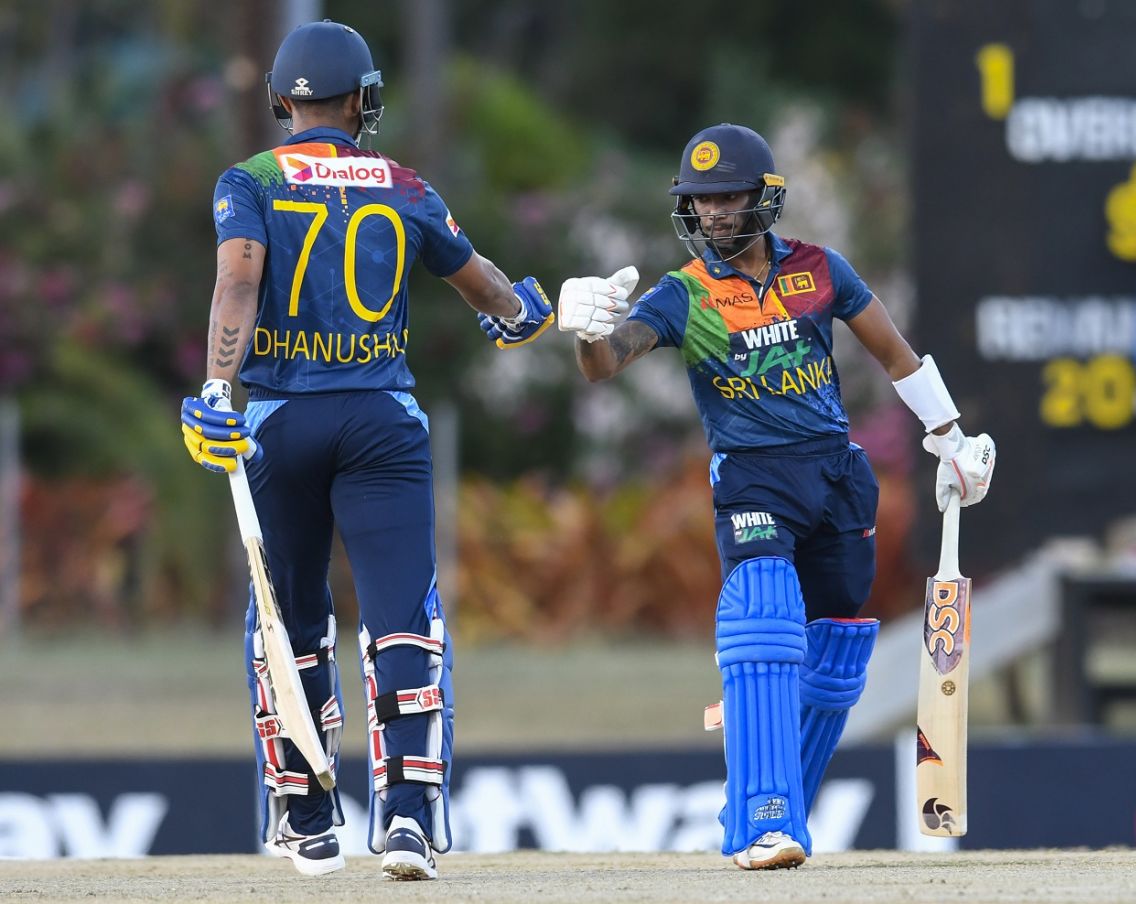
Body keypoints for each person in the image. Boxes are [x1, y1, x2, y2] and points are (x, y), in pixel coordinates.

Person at [554, 123, 995, 869]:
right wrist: (586, 332)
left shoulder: (820, 269)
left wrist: (950, 439)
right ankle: (767, 820)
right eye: (701, 200)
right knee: (764, 623)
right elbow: (605, 364)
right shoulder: (684, 294)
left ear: (764, 197)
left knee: (837, 658)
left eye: (727, 196)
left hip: (836, 474)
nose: (714, 212)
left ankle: (765, 814)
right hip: (753, 477)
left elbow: (895, 354)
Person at [179, 20, 552, 880]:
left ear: (283, 99)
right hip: (383, 422)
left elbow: (237, 282)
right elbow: (487, 289)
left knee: (290, 624)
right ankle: (410, 819)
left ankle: (310, 820)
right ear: (361, 100)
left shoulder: (250, 180)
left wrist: (216, 388)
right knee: (402, 621)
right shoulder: (403, 183)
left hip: (280, 422)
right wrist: (526, 313)